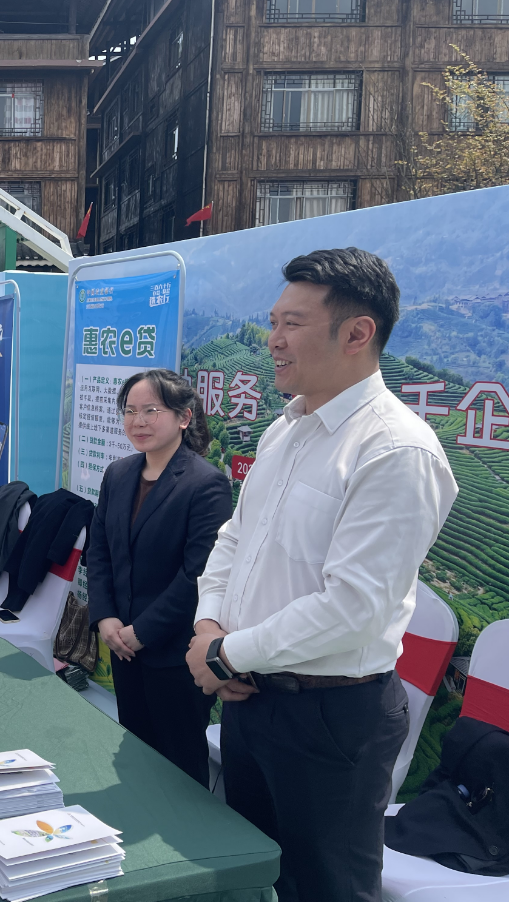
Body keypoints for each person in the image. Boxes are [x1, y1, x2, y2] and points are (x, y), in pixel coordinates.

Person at [186, 248, 458, 902]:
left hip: (330, 718)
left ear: (357, 333)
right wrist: (210, 626)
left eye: (292, 324)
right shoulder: (285, 431)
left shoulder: (394, 449)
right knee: (253, 875)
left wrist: (223, 654)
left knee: (326, 887)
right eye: (272, 322)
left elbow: (352, 608)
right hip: (251, 694)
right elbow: (235, 538)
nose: (272, 340)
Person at [86, 368, 232, 786]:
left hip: (174, 655)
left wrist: (142, 632)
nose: (138, 421)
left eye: (151, 410)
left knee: (179, 768)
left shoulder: (206, 484)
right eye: (130, 411)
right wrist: (106, 617)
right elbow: (100, 551)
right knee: (133, 754)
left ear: (184, 417)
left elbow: (197, 577)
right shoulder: (118, 474)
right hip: (123, 647)